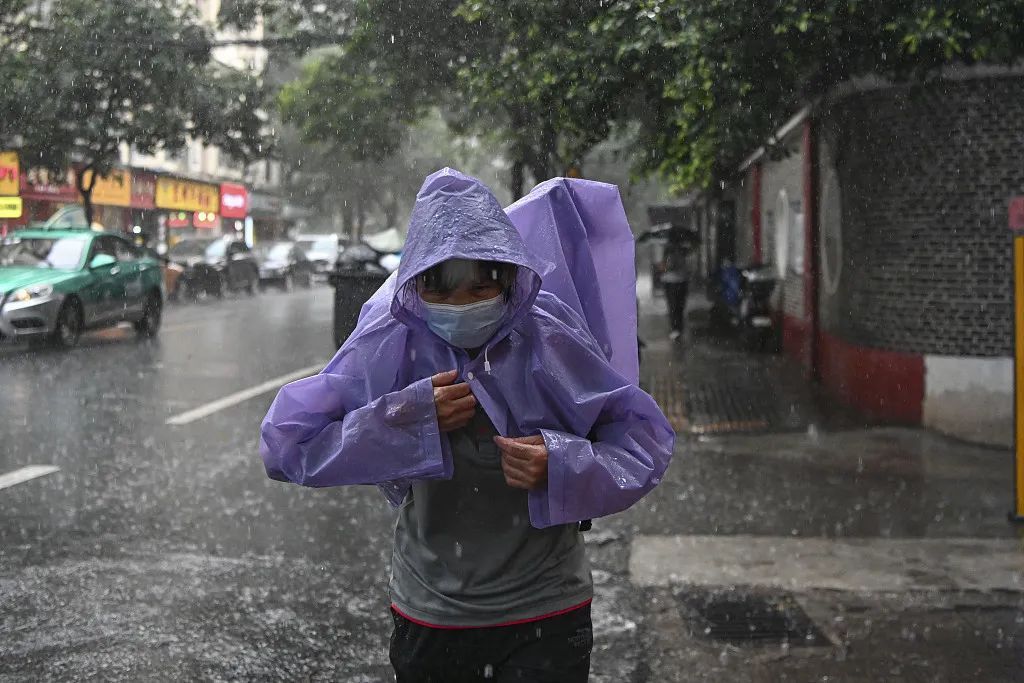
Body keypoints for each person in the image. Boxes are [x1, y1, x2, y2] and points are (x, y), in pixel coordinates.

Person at [260, 168, 674, 682]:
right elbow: (288, 444)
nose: (463, 306)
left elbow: (640, 440)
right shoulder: (392, 340)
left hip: (545, 607)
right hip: (432, 612)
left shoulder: (549, 336)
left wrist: (561, 463)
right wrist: (405, 421)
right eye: (445, 291)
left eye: (480, 287)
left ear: (508, 279)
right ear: (416, 286)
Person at [661, 228, 691, 341]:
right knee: (680, 306)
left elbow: (669, 265)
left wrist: (664, 267)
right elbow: (686, 265)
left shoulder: (668, 250)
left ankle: (675, 329)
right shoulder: (683, 249)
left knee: (673, 306)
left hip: (670, 281)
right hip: (682, 280)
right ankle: (679, 328)